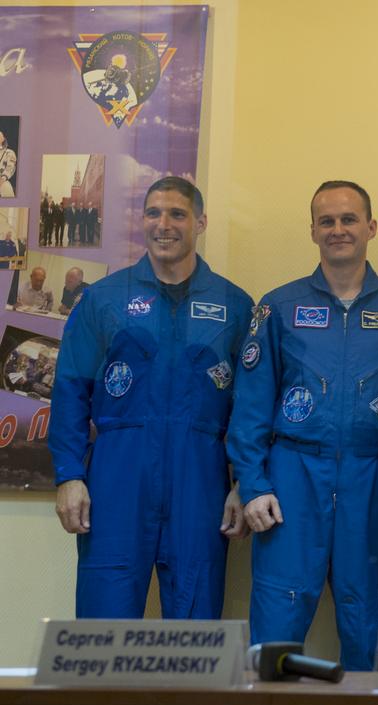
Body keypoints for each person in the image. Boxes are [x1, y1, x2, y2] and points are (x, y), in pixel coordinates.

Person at [228, 180, 378, 671]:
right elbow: (250, 404)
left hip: (371, 479)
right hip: (291, 480)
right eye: (327, 221)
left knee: (366, 624)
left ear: (371, 227)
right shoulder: (279, 306)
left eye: (349, 219)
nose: (338, 230)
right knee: (276, 627)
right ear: (312, 230)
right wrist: (251, 484)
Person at [48, 176, 253, 619]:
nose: (165, 224)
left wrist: (243, 483)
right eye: (154, 213)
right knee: (103, 631)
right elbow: (69, 390)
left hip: (201, 482)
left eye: (177, 213)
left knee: (196, 632)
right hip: (117, 480)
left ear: (200, 222)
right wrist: (68, 474)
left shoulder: (235, 306)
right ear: (142, 221)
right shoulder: (104, 298)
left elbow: (251, 406)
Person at [0, 129, 15, 198]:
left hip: (2, 183)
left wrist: (2, 179)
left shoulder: (9, 153)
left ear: (3, 139)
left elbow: (10, 168)